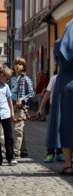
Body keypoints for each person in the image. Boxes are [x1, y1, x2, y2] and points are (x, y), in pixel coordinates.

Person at [47, 19, 73, 175]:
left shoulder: (57, 45)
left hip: (63, 85)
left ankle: (68, 165)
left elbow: (57, 61)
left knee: (65, 125)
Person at [36, 74, 64, 163]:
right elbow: (47, 93)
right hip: (55, 107)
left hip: (68, 107)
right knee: (53, 129)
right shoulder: (55, 78)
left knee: (64, 131)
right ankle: (50, 153)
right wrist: (40, 108)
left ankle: (61, 153)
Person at [10, 57, 34, 158]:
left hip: (21, 107)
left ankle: (16, 151)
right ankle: (20, 150)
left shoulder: (26, 79)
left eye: (20, 64)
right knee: (10, 129)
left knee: (18, 129)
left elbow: (32, 93)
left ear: (23, 67)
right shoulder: (10, 78)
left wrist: (22, 99)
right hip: (10, 105)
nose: (17, 66)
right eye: (16, 64)